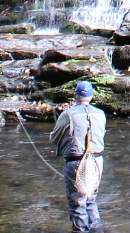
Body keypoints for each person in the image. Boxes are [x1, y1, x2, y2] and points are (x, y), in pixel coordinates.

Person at [49, 80, 107, 232]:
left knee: (77, 202)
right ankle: (96, 229)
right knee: (91, 198)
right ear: (91, 96)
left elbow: (53, 138)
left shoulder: (67, 114)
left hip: (76, 162)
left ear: (75, 96)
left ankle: (81, 230)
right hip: (97, 161)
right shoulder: (101, 114)